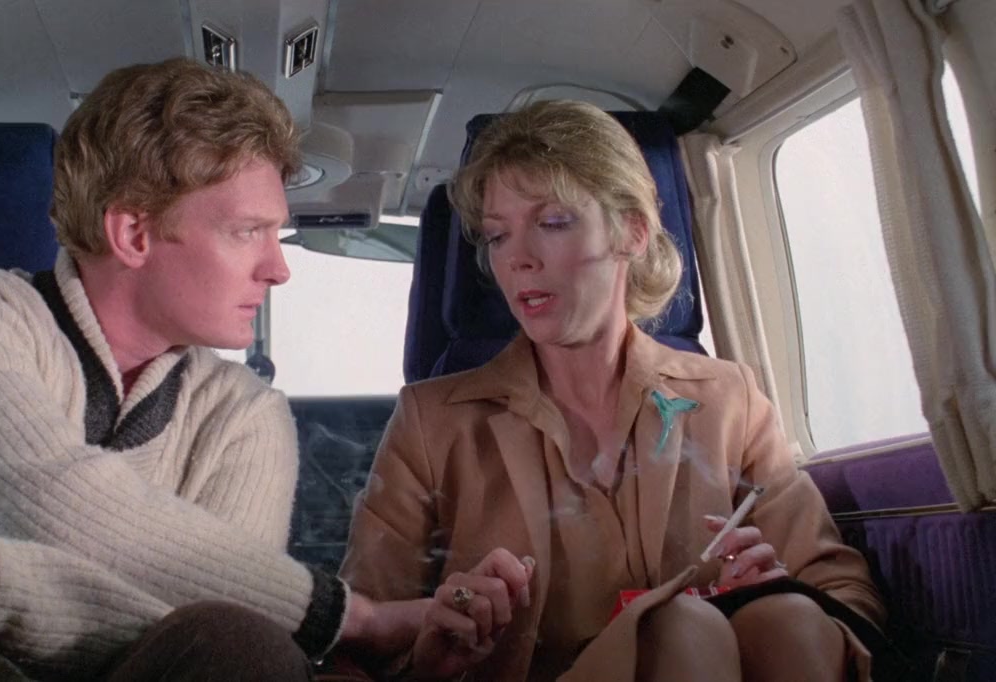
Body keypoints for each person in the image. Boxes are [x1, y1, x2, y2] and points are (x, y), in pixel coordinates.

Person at [0, 58, 429, 682]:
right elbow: (38, 495)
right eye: (247, 231)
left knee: (240, 641)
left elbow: (225, 612)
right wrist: (351, 619)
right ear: (133, 234)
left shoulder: (246, 413)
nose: (278, 268)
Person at [337, 100, 886, 681]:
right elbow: (355, 643)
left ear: (633, 231)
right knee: (681, 629)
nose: (517, 259)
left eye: (552, 223)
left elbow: (846, 595)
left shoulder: (729, 399)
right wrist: (430, 658)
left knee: (789, 621)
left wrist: (776, 587)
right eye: (497, 236)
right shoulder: (432, 423)